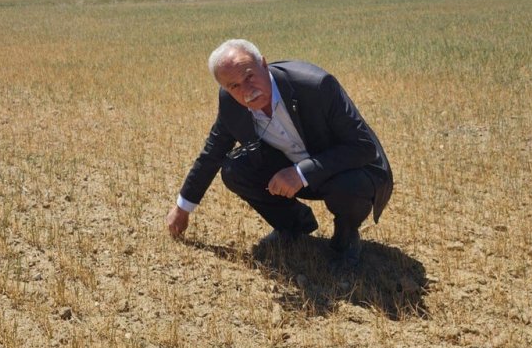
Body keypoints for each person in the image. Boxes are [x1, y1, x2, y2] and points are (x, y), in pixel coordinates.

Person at [166, 39, 393, 268]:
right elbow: (212, 154)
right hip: (294, 170)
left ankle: (346, 238)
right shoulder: (231, 104)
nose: (247, 91)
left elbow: (363, 147)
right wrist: (182, 208)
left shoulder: (315, 85)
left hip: (352, 171)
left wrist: (301, 173)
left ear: (263, 64)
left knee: (349, 186)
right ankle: (293, 225)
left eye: (249, 76)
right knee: (235, 170)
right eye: (234, 86)